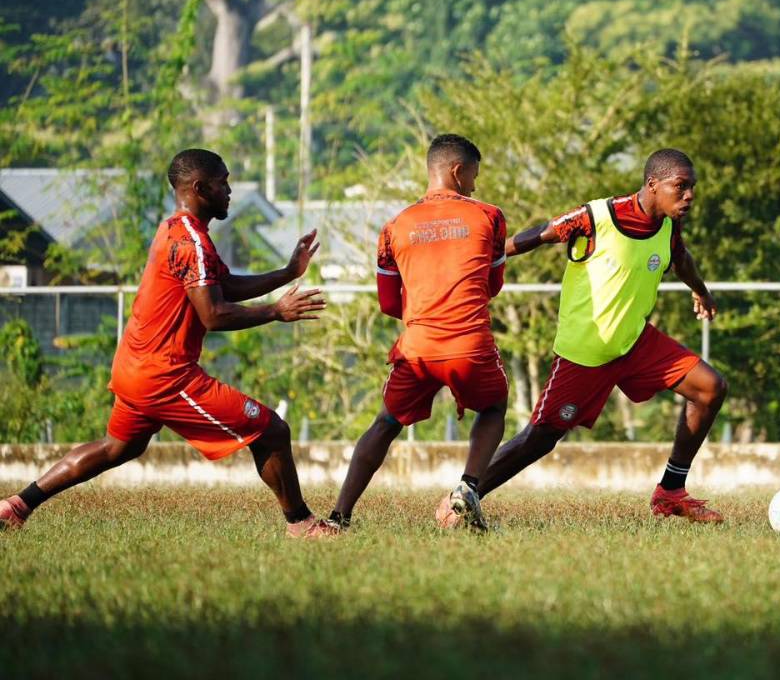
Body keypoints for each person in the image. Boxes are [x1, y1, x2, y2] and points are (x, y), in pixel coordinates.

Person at [0, 149, 334, 537]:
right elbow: (213, 313)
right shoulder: (191, 242)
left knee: (117, 448)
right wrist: (274, 312)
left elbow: (222, 283)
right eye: (223, 182)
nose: (229, 190)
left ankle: (16, 506)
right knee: (271, 430)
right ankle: (303, 525)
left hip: (134, 367)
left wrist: (287, 272)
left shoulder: (178, 230)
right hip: (165, 375)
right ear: (200, 187)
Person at [438, 148, 728, 527]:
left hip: (635, 343)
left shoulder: (669, 226)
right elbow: (539, 235)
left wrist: (700, 291)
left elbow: (681, 259)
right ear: (652, 184)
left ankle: (671, 492)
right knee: (540, 438)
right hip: (584, 354)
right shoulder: (598, 216)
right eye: (682, 186)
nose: (689, 195)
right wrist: (482, 257)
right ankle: (463, 496)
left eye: (693, 188)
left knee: (710, 388)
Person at [325, 134, 508, 533]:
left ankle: (340, 516)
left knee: (385, 424)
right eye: (474, 176)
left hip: (418, 348)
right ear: (458, 172)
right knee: (494, 408)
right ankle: (468, 488)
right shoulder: (490, 216)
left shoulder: (393, 228)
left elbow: (389, 304)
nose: (475, 186)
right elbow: (492, 286)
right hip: (470, 344)